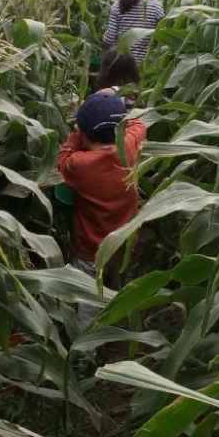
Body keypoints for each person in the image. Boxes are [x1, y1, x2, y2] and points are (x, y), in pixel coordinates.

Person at [56, 93, 146, 326]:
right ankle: (115, 316)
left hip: (90, 250)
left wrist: (76, 136)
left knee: (88, 301)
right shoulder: (128, 146)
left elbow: (62, 158)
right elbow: (138, 123)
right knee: (115, 280)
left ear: (83, 131)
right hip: (124, 241)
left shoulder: (79, 164)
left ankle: (86, 353)